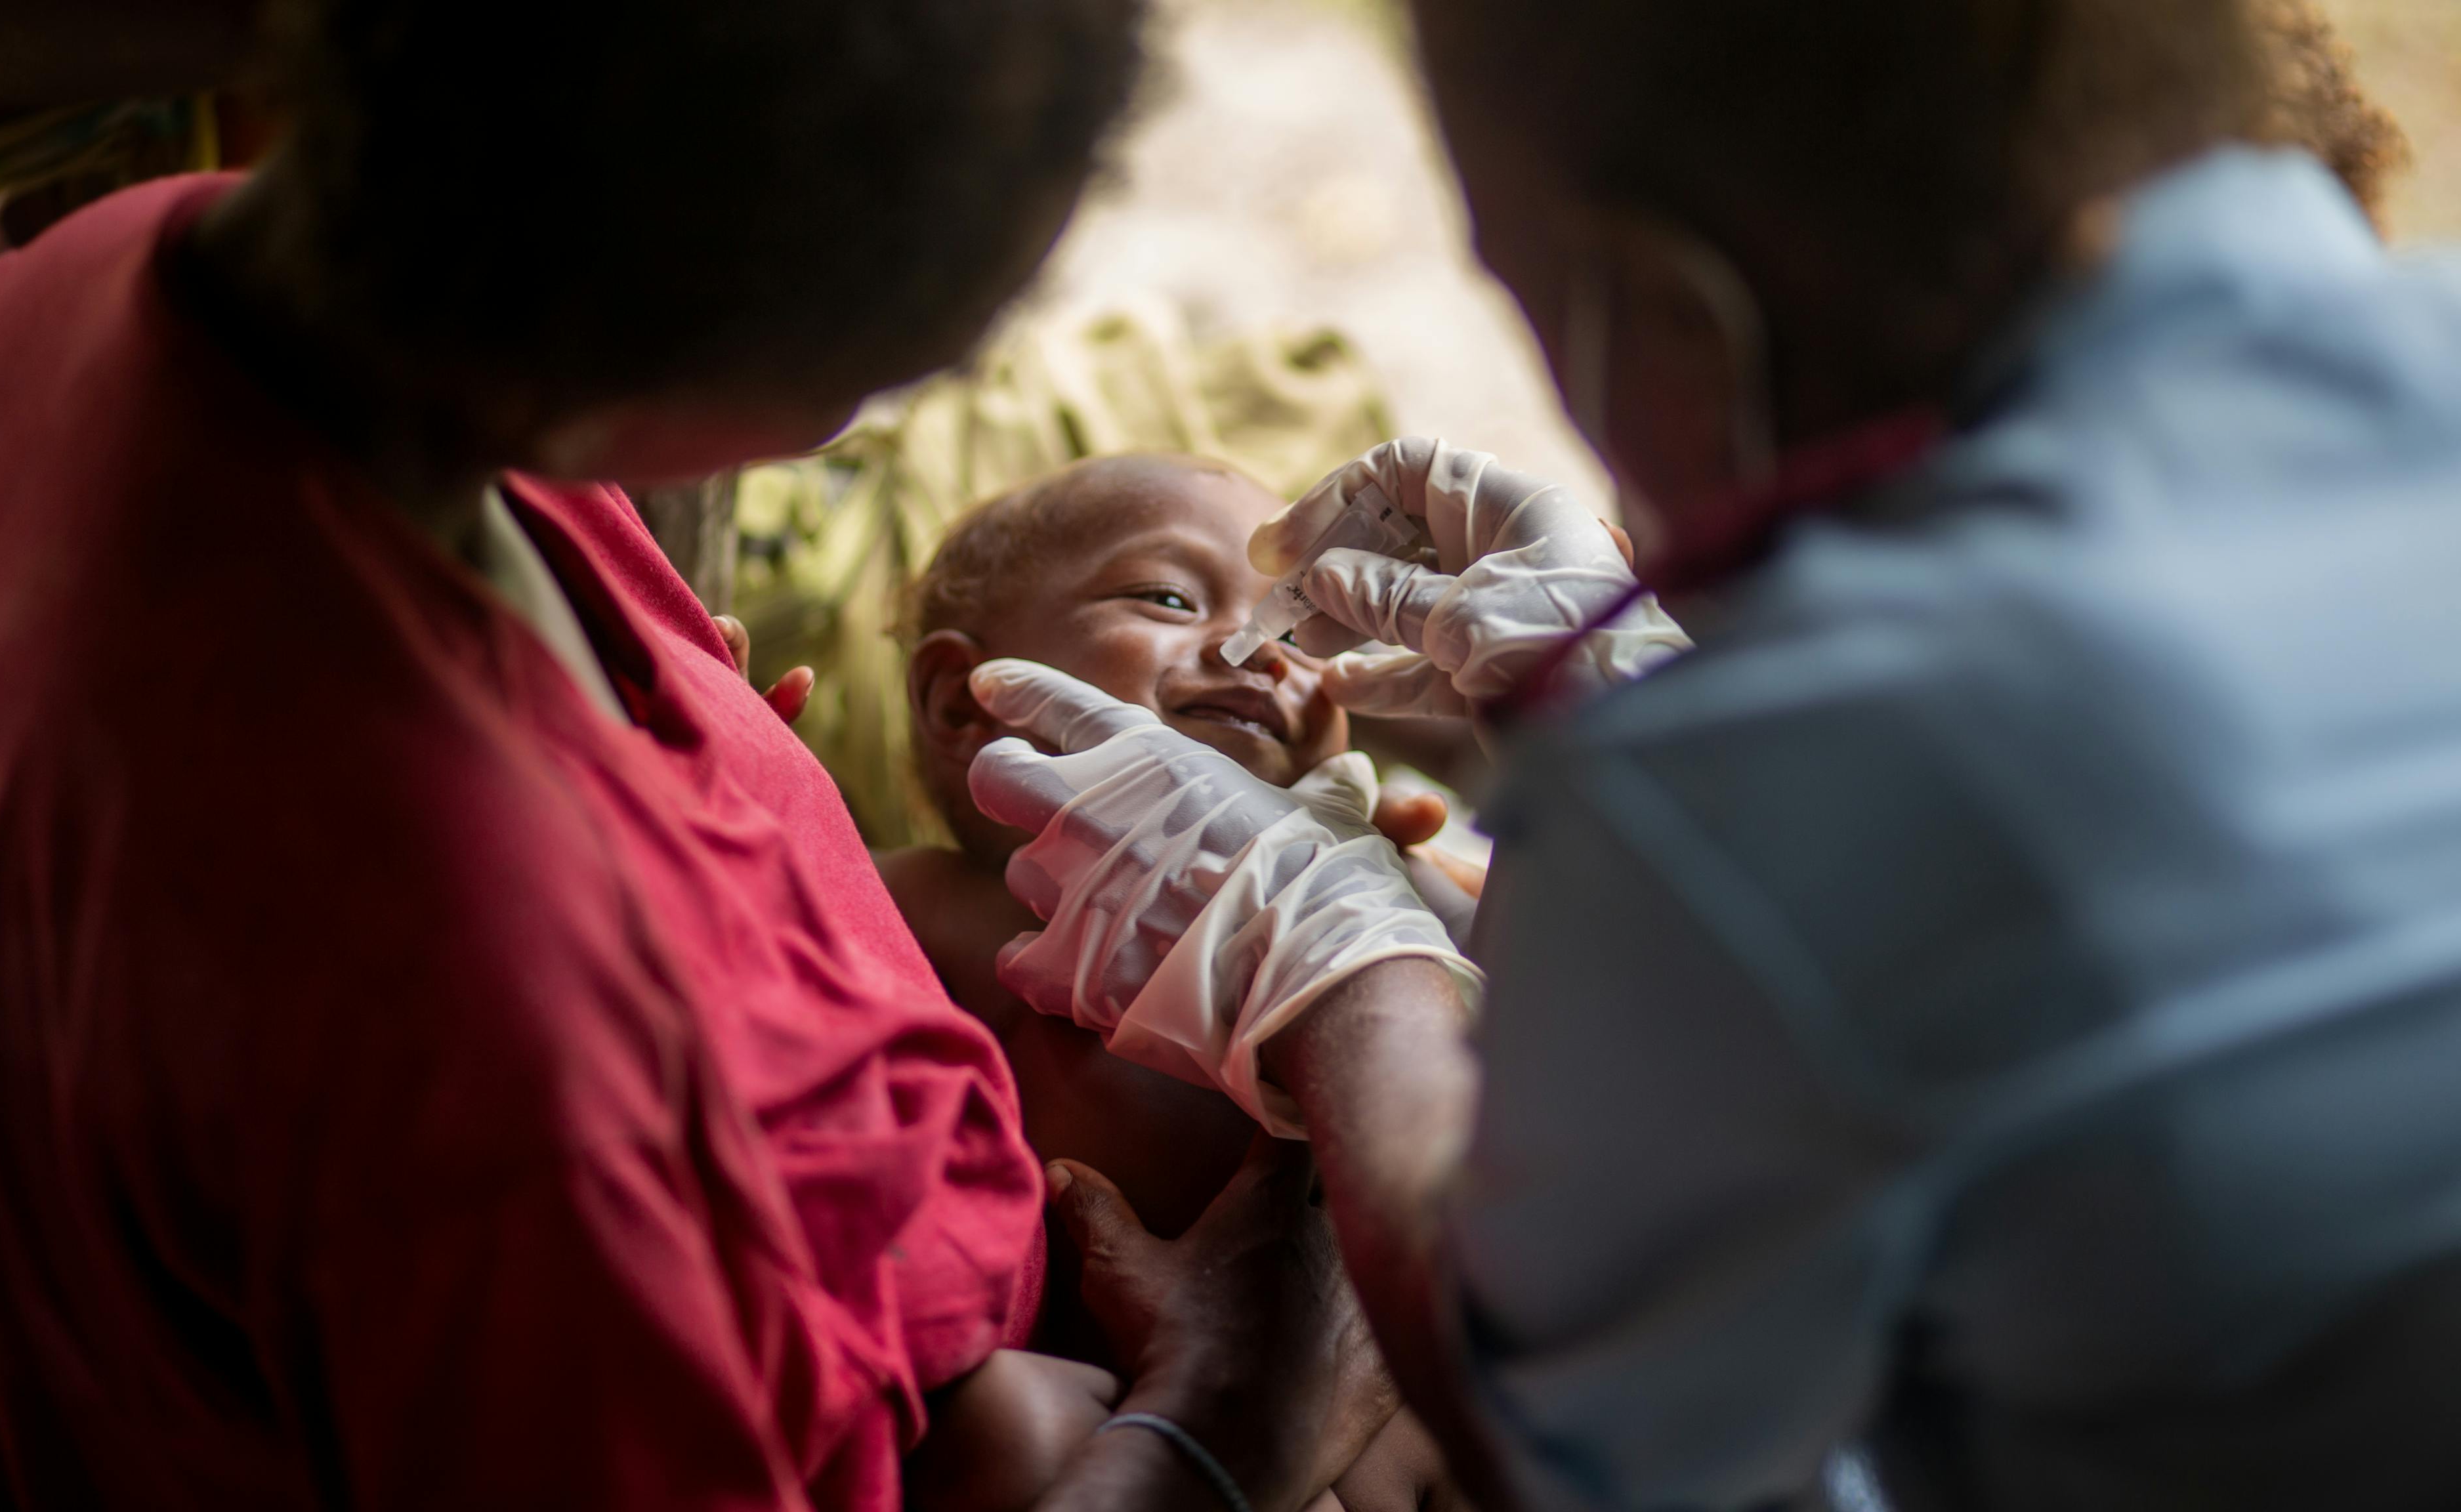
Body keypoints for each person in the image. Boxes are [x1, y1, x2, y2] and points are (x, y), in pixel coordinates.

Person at [959, 1, 2461, 1508]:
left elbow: (1564, 1419)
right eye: (1164, 597)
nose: (1243, 651)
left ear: (1668, 319)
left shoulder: (1768, 776)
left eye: (1534, 300)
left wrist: (1340, 965)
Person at [0, 1, 1378, 1509]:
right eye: (919, 351)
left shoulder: (116, 284)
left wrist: (708, 742)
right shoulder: (503, 1060)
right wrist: (1233, 1416)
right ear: (762, 367)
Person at [882, 453, 1483, 1510]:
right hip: (1131, 1411)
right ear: (960, 700)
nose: (1255, 651)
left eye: (1304, 637)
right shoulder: (942, 907)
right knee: (1011, 1426)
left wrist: (1417, 894)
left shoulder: (1361, 879)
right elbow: (753, 898)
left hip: (1387, 1389)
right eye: (1166, 597)